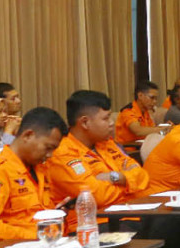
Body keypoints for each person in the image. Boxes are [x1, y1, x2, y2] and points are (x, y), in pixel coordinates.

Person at [44, 90, 153, 231]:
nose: (111, 123)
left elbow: (143, 176)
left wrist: (117, 177)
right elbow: (96, 197)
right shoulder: (63, 153)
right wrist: (129, 185)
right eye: (106, 118)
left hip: (132, 213)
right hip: (94, 225)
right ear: (85, 122)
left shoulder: (106, 143)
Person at [0, 107, 68, 243]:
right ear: (28, 135)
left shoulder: (40, 168)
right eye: (48, 148)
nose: (50, 155)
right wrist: (36, 233)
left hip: (50, 243)